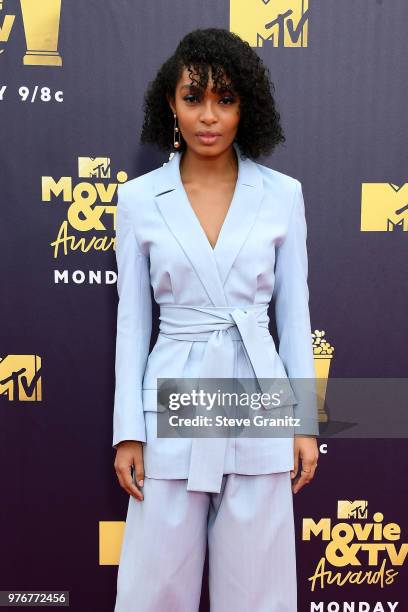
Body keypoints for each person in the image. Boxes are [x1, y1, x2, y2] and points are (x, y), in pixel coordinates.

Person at [113, 27, 319, 612]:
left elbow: (295, 316)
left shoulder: (283, 195)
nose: (208, 116)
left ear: (246, 106)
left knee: (259, 593)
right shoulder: (138, 199)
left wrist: (304, 424)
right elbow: (131, 323)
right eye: (193, 97)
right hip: (172, 397)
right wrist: (128, 429)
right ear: (169, 105)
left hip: (259, 394)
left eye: (224, 99)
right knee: (156, 589)